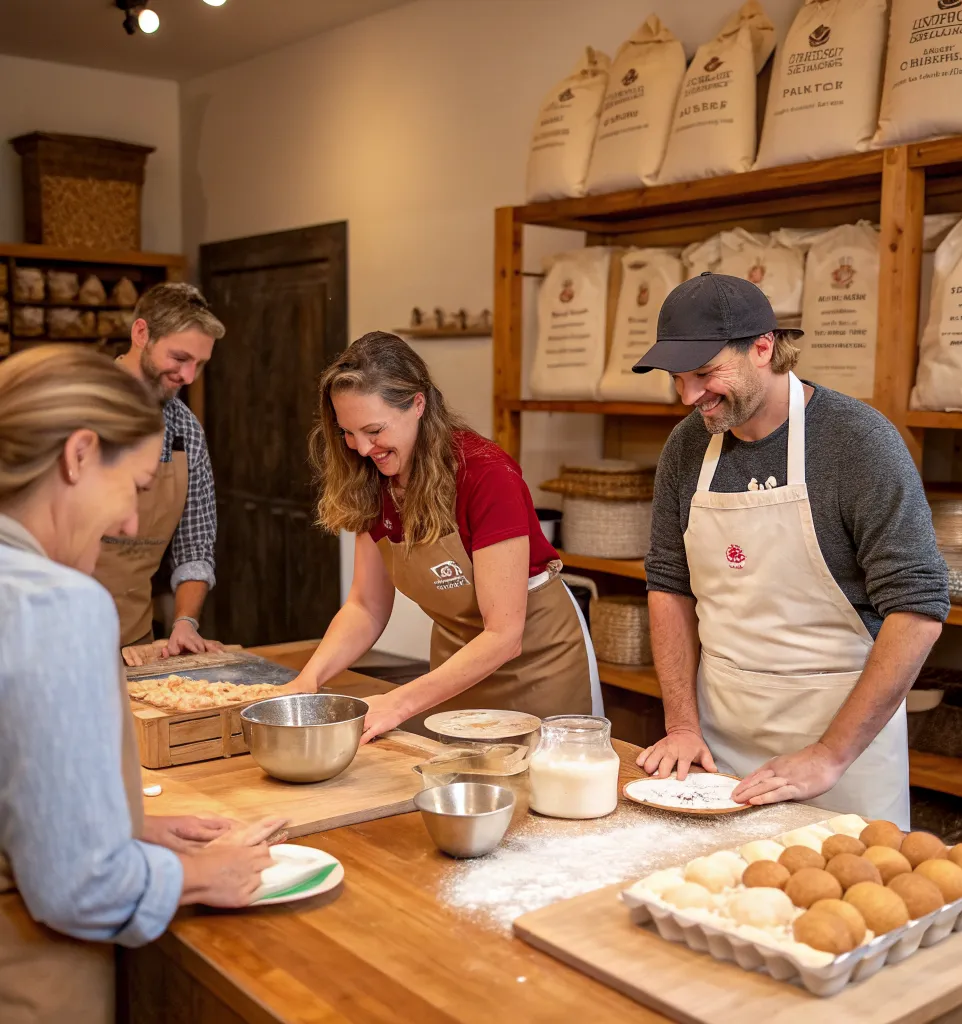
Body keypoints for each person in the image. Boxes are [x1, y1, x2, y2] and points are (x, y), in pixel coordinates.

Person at [0, 346, 280, 1024]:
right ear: (79, 455)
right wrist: (206, 874)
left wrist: (125, 825)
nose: (130, 524)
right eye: (132, 488)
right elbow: (81, 886)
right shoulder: (55, 603)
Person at [631, 273, 948, 828]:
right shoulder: (687, 445)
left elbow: (917, 609)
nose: (689, 397)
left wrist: (829, 756)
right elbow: (669, 584)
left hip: (841, 755)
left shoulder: (858, 442)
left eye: (706, 374)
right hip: (719, 743)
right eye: (678, 378)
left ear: (764, 347)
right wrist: (682, 723)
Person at [288, 331, 601, 740]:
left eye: (374, 430)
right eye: (347, 433)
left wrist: (398, 702)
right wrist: (308, 682)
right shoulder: (372, 480)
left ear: (418, 404)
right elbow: (366, 607)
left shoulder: (486, 475)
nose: (361, 449)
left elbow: (504, 636)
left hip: (539, 667)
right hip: (456, 672)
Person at [92, 282, 225, 666]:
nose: (189, 376)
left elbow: (195, 546)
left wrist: (185, 621)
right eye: (180, 357)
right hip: (51, 640)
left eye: (199, 364)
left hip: (135, 645)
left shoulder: (186, 432)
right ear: (141, 333)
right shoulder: (80, 406)